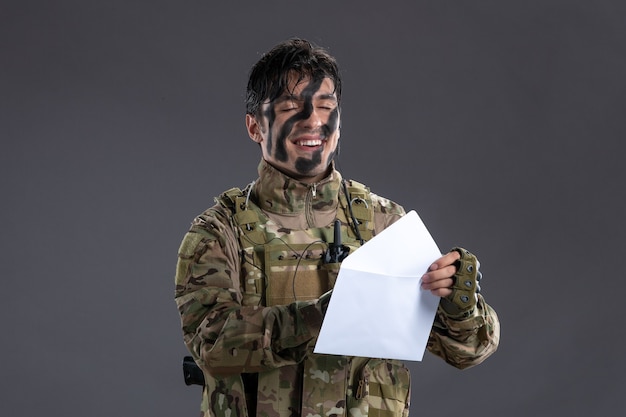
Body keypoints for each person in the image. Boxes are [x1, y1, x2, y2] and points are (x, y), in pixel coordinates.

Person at [174, 38, 500, 417]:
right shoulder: (218, 232)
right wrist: (326, 316)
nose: (312, 120)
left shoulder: (384, 224)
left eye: (325, 106)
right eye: (290, 107)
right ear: (255, 127)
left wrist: (459, 307)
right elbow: (210, 342)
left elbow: (469, 351)